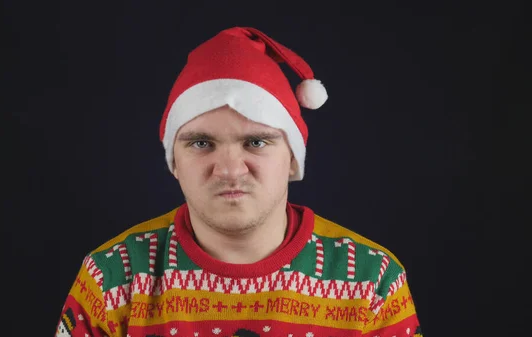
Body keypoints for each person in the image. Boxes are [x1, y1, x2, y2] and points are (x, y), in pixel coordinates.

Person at [54, 26, 423, 337]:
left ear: (293, 156)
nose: (230, 169)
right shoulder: (111, 279)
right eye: (202, 143)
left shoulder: (372, 280)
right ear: (174, 161)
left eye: (256, 142)